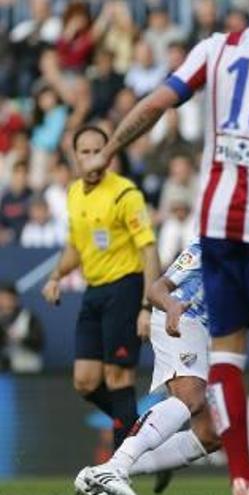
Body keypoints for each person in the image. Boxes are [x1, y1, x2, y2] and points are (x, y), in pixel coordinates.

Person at [77, 1, 249, 494]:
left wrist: (108, 148)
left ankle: (108, 472)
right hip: (209, 292)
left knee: (210, 432)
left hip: (224, 217)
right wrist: (165, 305)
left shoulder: (216, 48)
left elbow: (152, 105)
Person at [41, 126, 160, 452]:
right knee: (85, 381)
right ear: (76, 156)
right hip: (94, 291)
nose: (93, 157)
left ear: (109, 154)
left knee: (118, 379)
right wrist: (54, 275)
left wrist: (146, 306)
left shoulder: (125, 194)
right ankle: (147, 438)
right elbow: (75, 248)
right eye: (86, 152)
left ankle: (121, 470)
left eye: (99, 151)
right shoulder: (74, 193)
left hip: (125, 287)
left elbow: (149, 250)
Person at [75, 241, 221, 495]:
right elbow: (157, 289)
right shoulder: (207, 245)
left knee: (211, 434)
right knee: (190, 399)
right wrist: (171, 304)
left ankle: (100, 474)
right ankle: (115, 467)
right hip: (181, 317)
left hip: (214, 334)